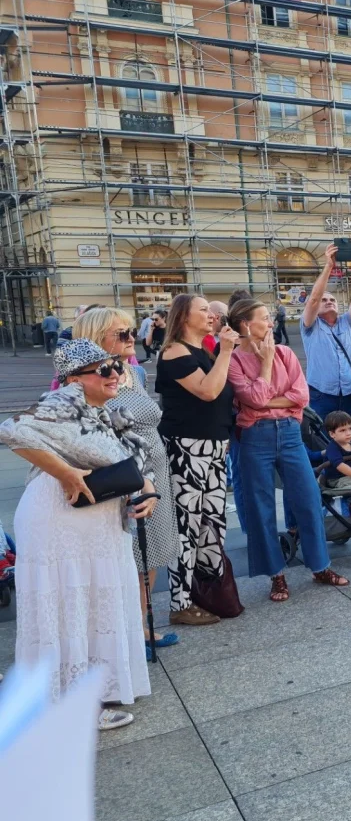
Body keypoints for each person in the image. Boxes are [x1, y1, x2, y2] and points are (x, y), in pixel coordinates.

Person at [1, 340, 158, 730]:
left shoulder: (108, 412)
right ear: (73, 380)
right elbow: (12, 429)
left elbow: (134, 460)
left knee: (93, 605)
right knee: (71, 606)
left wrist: (148, 488)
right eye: (103, 369)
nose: (116, 374)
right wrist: (65, 472)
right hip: (59, 522)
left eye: (116, 366)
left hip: (97, 524)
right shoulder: (63, 403)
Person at [227, 298, 351, 599]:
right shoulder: (233, 360)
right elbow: (254, 399)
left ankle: (320, 566)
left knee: (308, 498)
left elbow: (301, 396)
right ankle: (276, 575)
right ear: (245, 325)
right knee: (261, 508)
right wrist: (266, 363)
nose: (271, 323)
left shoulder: (285, 352)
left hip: (291, 434)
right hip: (254, 437)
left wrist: (265, 400)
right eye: (264, 318)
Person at [74, 308, 179, 650]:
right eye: (122, 334)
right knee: (128, 553)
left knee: (153, 551)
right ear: (96, 338)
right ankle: (125, 631)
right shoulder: (89, 379)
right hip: (124, 474)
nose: (132, 337)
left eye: (131, 330)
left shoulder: (136, 371)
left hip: (156, 469)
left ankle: (142, 625)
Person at [156, 295, 237, 626]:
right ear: (183, 317)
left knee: (212, 524)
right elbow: (208, 391)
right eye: (203, 310)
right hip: (186, 448)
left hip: (212, 447)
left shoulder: (204, 351)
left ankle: (207, 592)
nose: (211, 315)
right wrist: (226, 351)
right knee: (186, 527)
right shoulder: (174, 352)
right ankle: (180, 603)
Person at [301, 242, 351, 437]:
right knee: (321, 442)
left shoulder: (348, 323)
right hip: (321, 395)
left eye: (333, 300)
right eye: (325, 300)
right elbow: (314, 298)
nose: (329, 301)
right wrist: (329, 266)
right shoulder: (310, 325)